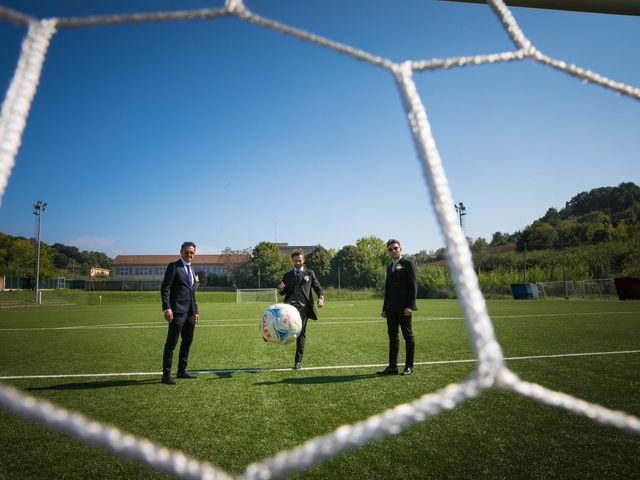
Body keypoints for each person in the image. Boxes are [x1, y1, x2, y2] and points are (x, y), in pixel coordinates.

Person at [277, 249, 325, 370]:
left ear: (303, 260)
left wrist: (321, 298)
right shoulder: (288, 275)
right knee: (279, 322)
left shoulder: (310, 273)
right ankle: (268, 335)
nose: (297, 263)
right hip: (289, 306)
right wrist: (280, 289)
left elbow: (318, 288)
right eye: (295, 261)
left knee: (301, 333)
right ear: (292, 261)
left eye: (300, 260)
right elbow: (283, 293)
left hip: (303, 307)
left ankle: (298, 362)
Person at [160, 241, 199, 385]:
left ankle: (182, 371)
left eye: (192, 252)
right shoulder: (174, 267)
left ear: (194, 254)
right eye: (187, 252)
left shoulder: (192, 269)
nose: (189, 254)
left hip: (190, 313)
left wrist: (196, 311)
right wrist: (167, 308)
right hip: (176, 311)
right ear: (181, 252)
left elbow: (192, 293)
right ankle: (166, 375)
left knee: (187, 342)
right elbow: (165, 289)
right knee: (171, 343)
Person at [377, 239, 417, 376]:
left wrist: (410, 306)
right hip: (391, 309)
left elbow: (413, 286)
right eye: (390, 249)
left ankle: (409, 366)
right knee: (393, 337)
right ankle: (392, 367)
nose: (393, 251)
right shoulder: (389, 267)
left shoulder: (408, 264)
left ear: (400, 249)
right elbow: (387, 289)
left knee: (408, 336)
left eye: (395, 248)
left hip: (404, 309)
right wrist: (384, 308)